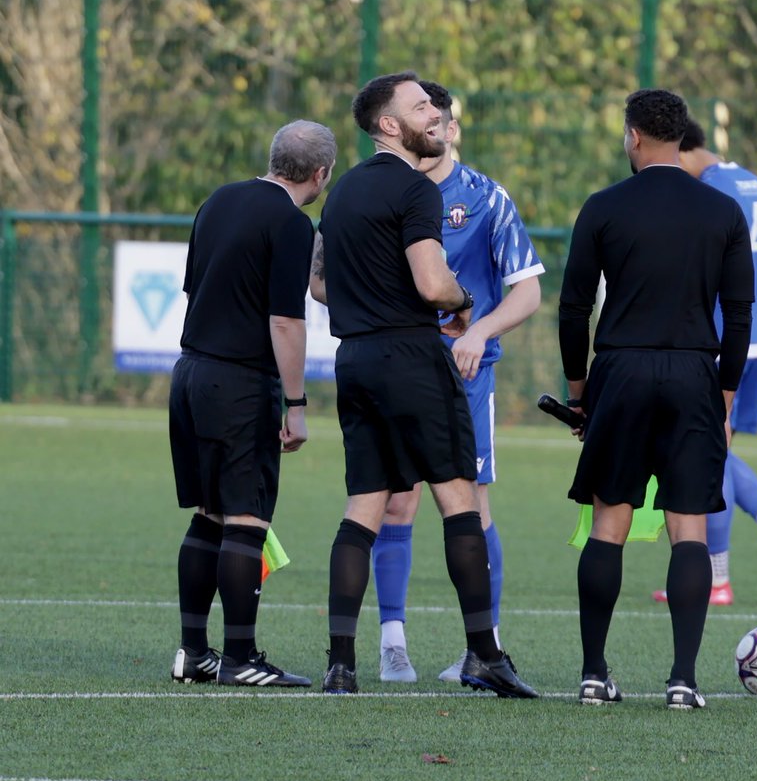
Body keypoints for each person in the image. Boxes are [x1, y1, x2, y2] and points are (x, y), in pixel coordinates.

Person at [310, 70, 537, 698]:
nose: (434, 115)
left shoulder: (344, 192)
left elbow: (320, 285)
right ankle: (485, 656)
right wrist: (462, 305)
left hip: (353, 361)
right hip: (413, 357)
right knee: (459, 500)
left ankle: (341, 665)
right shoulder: (417, 191)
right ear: (389, 125)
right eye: (420, 108)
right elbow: (433, 283)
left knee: (364, 508)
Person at [559, 88, 754, 709]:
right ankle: (682, 681)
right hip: (694, 374)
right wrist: (724, 395)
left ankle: (594, 674)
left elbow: (573, 308)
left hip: (620, 370)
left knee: (609, 523)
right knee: (688, 529)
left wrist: (580, 390)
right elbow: (740, 315)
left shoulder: (604, 206)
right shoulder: (721, 211)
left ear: (633, 137)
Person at [370, 80, 545, 684]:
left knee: (470, 502)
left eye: (442, 116)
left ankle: (483, 646)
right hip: (398, 367)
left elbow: (528, 290)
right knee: (397, 497)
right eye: (425, 113)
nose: (437, 124)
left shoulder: (486, 198)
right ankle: (393, 642)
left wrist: (477, 332)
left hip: (465, 375)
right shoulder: (385, 191)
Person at [169, 119, 336, 688]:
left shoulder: (217, 201)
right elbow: (286, 320)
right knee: (246, 520)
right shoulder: (292, 223)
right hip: (241, 383)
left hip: (190, 371)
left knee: (210, 515)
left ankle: (195, 652)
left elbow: (193, 290)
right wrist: (296, 404)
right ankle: (241, 658)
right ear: (321, 174)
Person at [651, 117, 757, 606]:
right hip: (754, 340)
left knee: (704, 455)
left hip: (716, 338)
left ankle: (717, 579)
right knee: (716, 449)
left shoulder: (710, 192)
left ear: (681, 151)